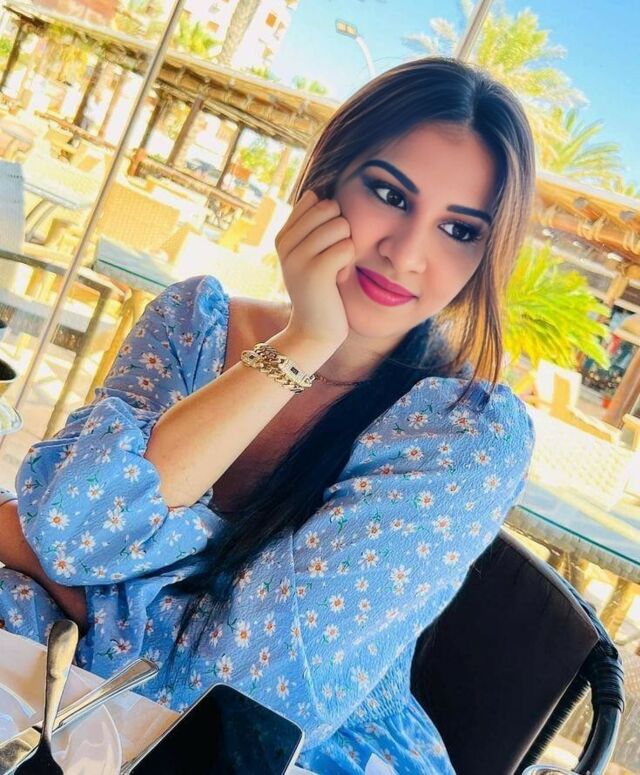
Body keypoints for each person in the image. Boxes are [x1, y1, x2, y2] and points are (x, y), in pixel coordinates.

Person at [0, 57, 536, 773]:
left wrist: (82, 565)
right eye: (389, 193)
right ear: (326, 180)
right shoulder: (194, 322)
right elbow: (73, 528)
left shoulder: (466, 436)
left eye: (460, 230)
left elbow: (232, 696)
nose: (407, 253)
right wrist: (302, 344)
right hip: (71, 700)